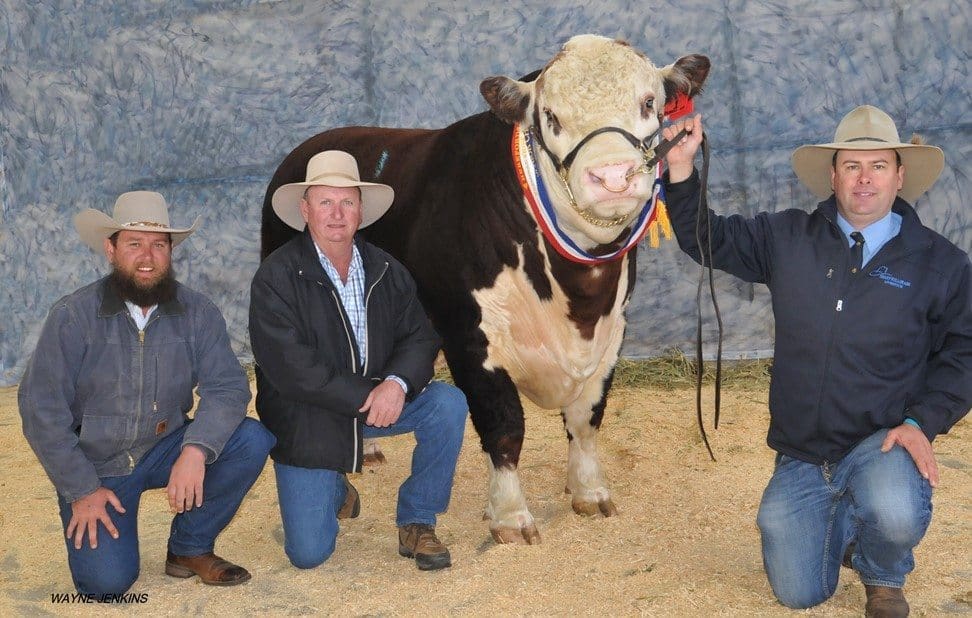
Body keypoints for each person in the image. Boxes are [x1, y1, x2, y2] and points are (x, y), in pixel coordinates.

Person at [662, 106, 971, 617]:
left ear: (900, 175)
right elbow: (708, 238)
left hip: (884, 440)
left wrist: (923, 422)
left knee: (893, 510)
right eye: (852, 166)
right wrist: (679, 168)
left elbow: (962, 355)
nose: (864, 179)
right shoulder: (786, 238)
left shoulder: (941, 262)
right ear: (833, 176)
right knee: (798, 592)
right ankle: (846, 526)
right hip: (803, 451)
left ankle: (883, 573)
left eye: (877, 166)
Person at [19, 191, 276, 597]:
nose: (147, 256)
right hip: (98, 462)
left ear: (170, 252)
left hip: (165, 445)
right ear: (111, 249)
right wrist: (82, 489)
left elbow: (227, 387)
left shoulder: (198, 312)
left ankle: (189, 548)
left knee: (251, 439)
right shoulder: (72, 316)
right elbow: (40, 411)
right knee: (106, 584)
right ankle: (102, 520)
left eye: (159, 245)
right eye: (134, 244)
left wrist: (195, 450)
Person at [249, 150, 468, 571]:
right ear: (305, 209)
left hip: (378, 401)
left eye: (347, 201)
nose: (336, 213)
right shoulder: (276, 278)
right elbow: (293, 371)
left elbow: (420, 337)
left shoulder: (387, 269)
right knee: (309, 555)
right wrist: (371, 393)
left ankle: (418, 520)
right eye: (325, 202)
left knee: (447, 404)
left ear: (361, 211)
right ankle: (334, 484)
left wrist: (398, 384)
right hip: (309, 417)